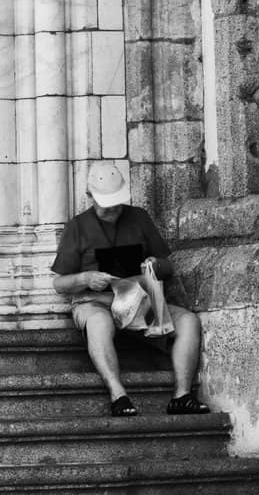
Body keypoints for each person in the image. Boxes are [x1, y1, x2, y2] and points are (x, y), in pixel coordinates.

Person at [51, 161, 211, 418]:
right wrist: (86, 278)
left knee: (189, 321)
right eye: (107, 204)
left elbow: (168, 266)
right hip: (95, 301)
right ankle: (118, 395)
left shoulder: (138, 218)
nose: (113, 209)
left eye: (117, 203)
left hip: (138, 299)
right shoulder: (78, 226)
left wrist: (155, 265)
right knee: (99, 324)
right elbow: (59, 283)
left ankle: (182, 395)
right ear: (90, 196)